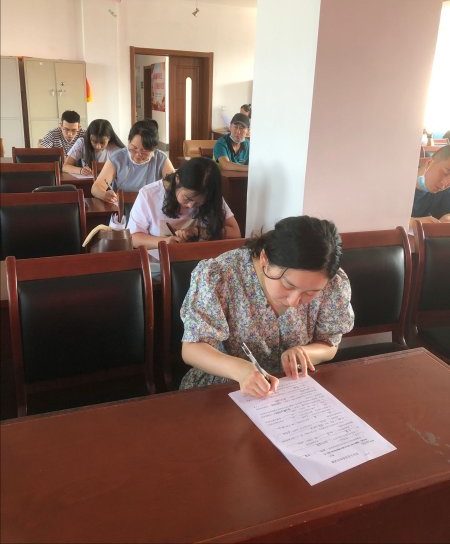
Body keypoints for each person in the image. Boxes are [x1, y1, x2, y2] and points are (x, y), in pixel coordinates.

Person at [180, 215, 354, 397]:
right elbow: (192, 349)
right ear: (265, 258)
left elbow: (330, 344)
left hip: (290, 388)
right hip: (222, 388)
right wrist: (241, 370)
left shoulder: (332, 284)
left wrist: (304, 352)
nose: (294, 302)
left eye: (310, 293)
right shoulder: (221, 275)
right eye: (288, 285)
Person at [128, 156, 241, 251]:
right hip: (159, 265)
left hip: (204, 263)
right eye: (187, 198)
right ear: (177, 179)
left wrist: (200, 232)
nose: (191, 206)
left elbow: (235, 233)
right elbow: (133, 238)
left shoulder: (211, 196)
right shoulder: (149, 194)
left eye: (198, 203)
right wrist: (164, 241)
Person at [91, 120, 174, 204]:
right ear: (129, 141)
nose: (138, 154)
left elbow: (175, 186)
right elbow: (96, 188)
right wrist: (104, 195)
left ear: (153, 149)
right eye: (134, 148)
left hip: (151, 208)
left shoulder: (161, 159)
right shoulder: (117, 158)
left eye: (144, 151)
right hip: (123, 208)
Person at [411, 144, 450, 226]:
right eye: (445, 172)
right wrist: (412, 222)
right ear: (429, 163)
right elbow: (383, 219)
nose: (445, 184)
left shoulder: (446, 190)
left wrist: (447, 218)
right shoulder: (399, 183)